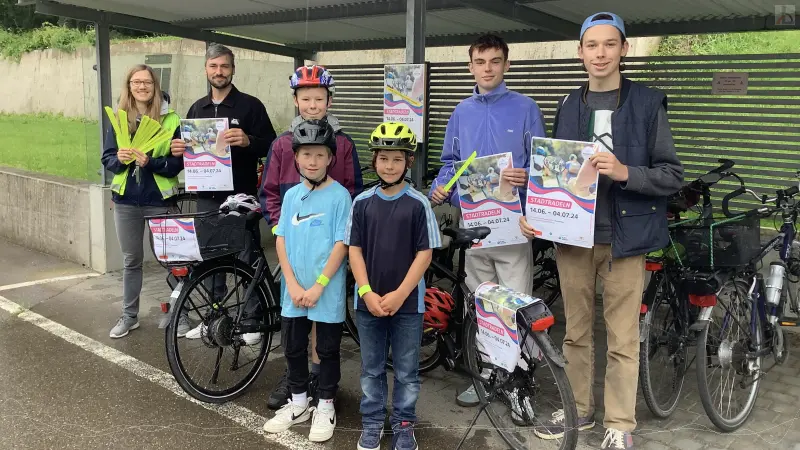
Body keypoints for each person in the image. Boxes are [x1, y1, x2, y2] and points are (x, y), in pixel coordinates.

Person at [519, 12, 683, 450]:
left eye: (610, 44)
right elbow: (554, 174)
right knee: (574, 332)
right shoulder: (569, 106)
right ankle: (580, 411)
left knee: (623, 337)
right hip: (573, 239)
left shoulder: (648, 103)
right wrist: (538, 211)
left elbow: (672, 175)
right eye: (592, 45)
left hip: (624, 241)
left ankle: (620, 423)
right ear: (580, 52)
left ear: (624, 50)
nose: (601, 53)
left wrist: (628, 171)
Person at [428, 33, 546, 407]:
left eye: (495, 61)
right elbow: (451, 161)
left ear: (507, 65)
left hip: (513, 227)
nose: (488, 68)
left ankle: (519, 384)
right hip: (474, 228)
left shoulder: (527, 108)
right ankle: (487, 375)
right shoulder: (462, 111)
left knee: (515, 304)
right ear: (471, 67)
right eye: (480, 62)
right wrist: (440, 185)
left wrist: (525, 175)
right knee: (480, 304)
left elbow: (542, 166)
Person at [259, 64, 363, 410]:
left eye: (319, 98)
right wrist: (283, 229)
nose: (313, 105)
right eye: (306, 99)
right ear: (296, 100)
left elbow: (353, 189)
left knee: (323, 316)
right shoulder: (282, 144)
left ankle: (319, 375)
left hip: (329, 241)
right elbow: (270, 192)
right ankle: (296, 376)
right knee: (294, 317)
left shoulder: (344, 144)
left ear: (329, 100)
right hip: (294, 241)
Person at [170, 43, 277, 342]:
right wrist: (176, 147)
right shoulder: (196, 109)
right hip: (206, 196)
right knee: (209, 263)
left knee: (247, 258)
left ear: (233, 69)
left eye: (225, 66)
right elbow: (183, 151)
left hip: (240, 197)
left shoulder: (251, 106)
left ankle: (255, 321)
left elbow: (272, 145)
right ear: (206, 69)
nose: (219, 72)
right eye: (214, 66)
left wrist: (248, 140)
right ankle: (214, 318)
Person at [346, 122, 440, 450]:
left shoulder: (418, 203)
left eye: (397, 159)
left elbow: (424, 254)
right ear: (374, 161)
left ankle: (403, 423)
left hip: (407, 306)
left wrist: (400, 294)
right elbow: (353, 250)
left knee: (406, 370)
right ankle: (372, 422)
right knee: (371, 370)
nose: (389, 165)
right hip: (368, 304)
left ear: (408, 162)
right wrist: (366, 292)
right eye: (383, 158)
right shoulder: (362, 203)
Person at [261, 118, 351, 443]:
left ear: (330, 158)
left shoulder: (340, 197)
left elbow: (342, 244)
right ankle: (299, 402)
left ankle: (325, 404)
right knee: (293, 347)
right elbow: (281, 239)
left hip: (324, 291)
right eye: (306, 154)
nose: (312, 161)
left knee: (326, 350)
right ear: (296, 158)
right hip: (293, 290)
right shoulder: (291, 196)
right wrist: (294, 285)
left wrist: (318, 286)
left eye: (319, 155)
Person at [101, 64, 182, 338]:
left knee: (173, 259)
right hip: (125, 201)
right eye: (136, 82)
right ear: (129, 86)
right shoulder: (120, 117)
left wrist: (150, 162)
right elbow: (108, 158)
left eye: (147, 82)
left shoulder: (171, 118)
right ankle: (129, 316)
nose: (142, 86)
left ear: (155, 86)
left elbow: (176, 164)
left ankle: (178, 314)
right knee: (131, 260)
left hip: (160, 199)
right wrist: (120, 161)